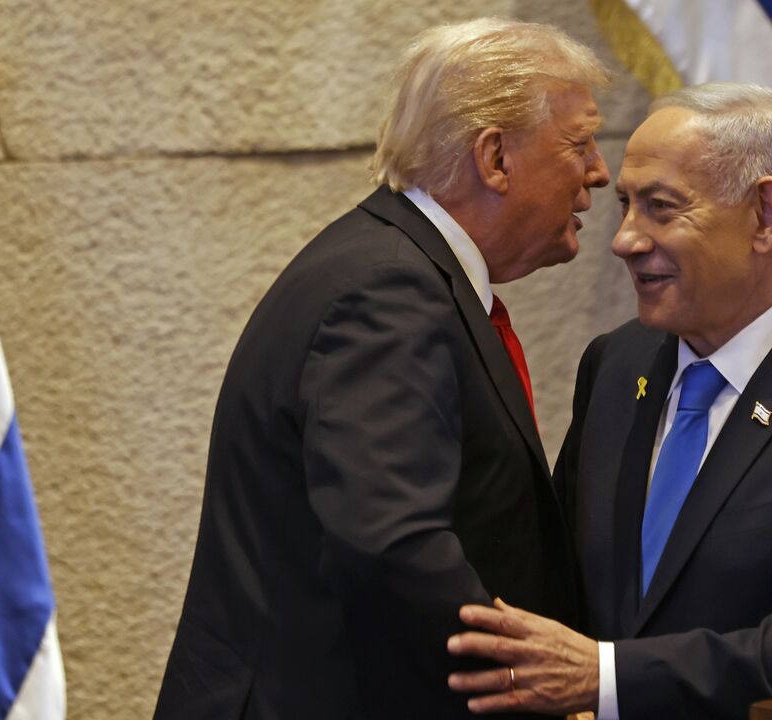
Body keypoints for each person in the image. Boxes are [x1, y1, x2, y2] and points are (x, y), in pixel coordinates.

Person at [154, 17, 611, 719]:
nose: (598, 172)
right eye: (579, 144)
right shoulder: (389, 291)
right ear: (495, 157)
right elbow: (392, 545)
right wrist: (530, 679)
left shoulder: (394, 267)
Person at [446, 83, 772, 718]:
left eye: (661, 208)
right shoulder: (616, 365)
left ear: (765, 215)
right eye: (625, 205)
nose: (625, 239)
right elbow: (561, 574)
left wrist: (606, 679)